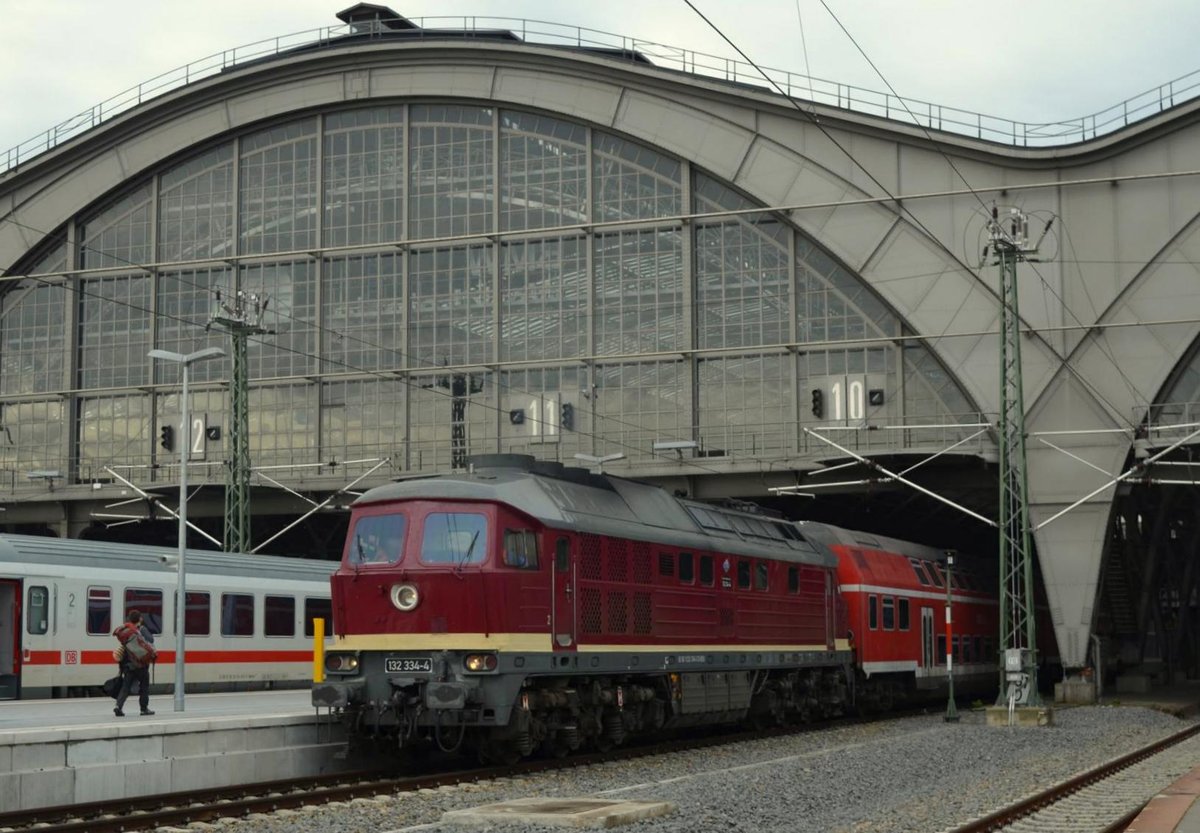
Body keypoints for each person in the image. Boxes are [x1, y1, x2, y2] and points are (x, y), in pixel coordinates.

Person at [112, 609, 155, 717]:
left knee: (125, 687)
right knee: (144, 686)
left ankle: (118, 706)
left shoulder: (126, 631)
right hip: (141, 664)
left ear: (129, 619)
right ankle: (144, 709)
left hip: (128, 664)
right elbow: (151, 639)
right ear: (140, 619)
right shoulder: (141, 629)